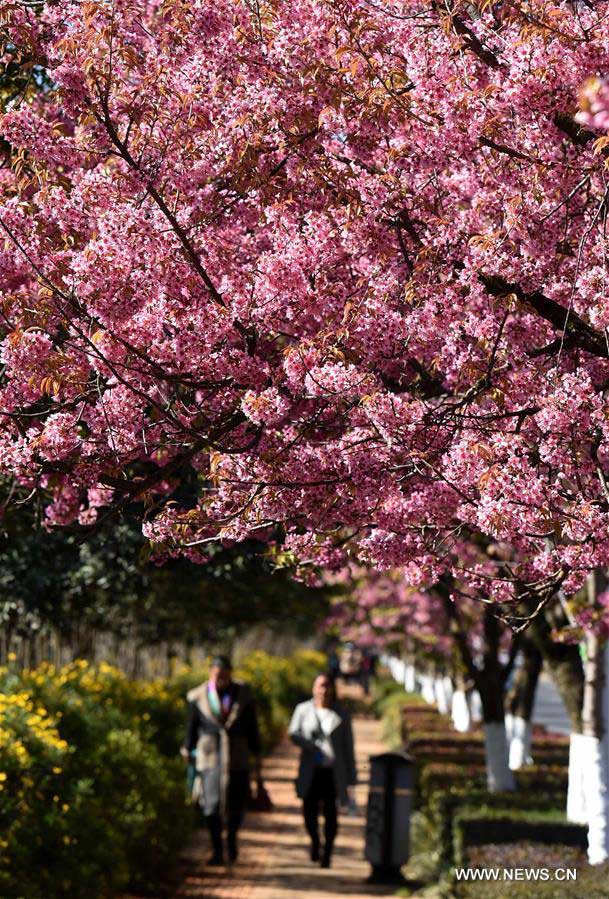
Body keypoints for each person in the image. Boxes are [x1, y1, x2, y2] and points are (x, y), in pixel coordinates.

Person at [182, 656, 262, 865]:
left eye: (224, 675)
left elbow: (252, 726)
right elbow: (192, 727)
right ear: (211, 673)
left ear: (230, 674)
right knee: (211, 805)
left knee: (236, 803)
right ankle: (217, 849)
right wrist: (187, 748)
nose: (221, 679)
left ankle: (232, 841)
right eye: (217, 674)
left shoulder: (242, 694)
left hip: (237, 757)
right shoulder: (199, 696)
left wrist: (256, 751)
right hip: (210, 757)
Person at [288, 673, 357, 868]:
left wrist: (352, 779)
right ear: (313, 688)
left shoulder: (341, 714)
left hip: (332, 772)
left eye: (327, 686)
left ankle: (327, 852)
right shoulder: (303, 710)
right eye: (320, 686)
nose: (324, 690)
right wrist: (309, 744)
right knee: (309, 812)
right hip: (311, 770)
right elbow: (293, 733)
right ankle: (315, 842)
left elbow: (348, 747)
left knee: (330, 814)